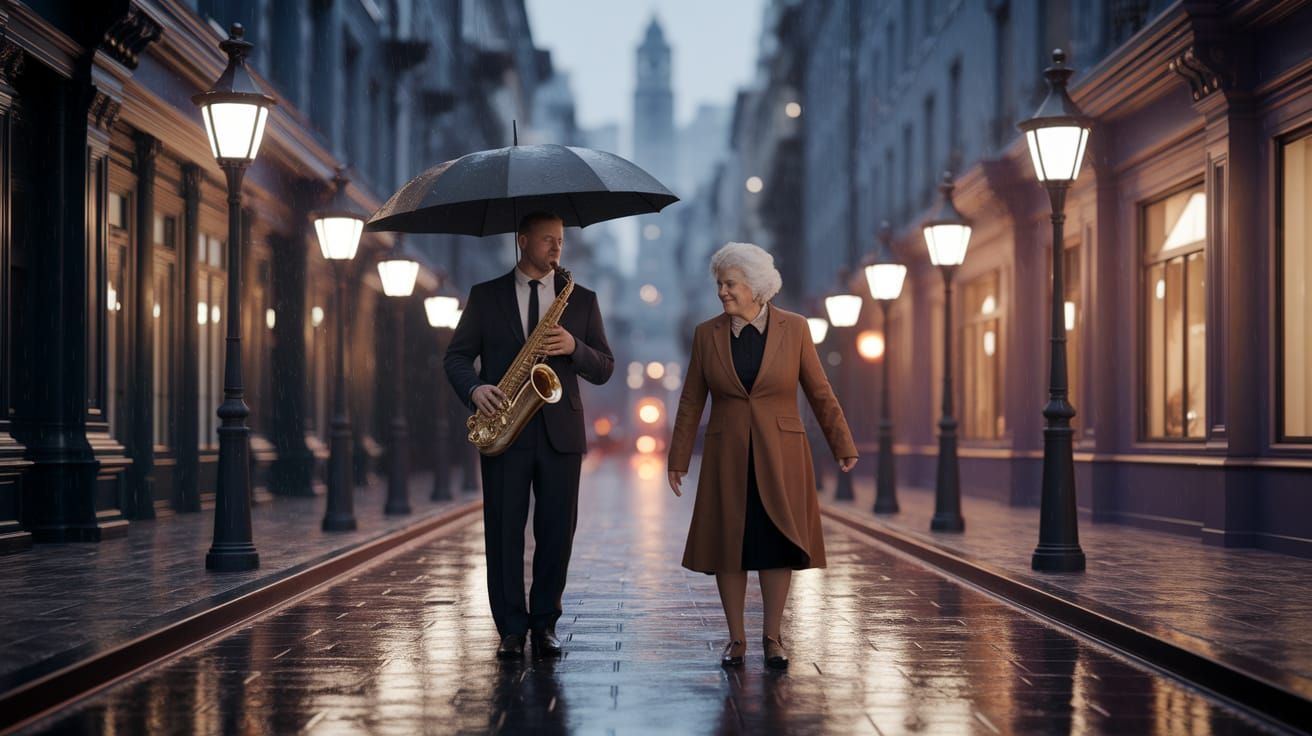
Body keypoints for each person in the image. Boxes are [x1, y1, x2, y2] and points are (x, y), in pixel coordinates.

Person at [667, 242, 857, 669]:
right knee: (728, 546)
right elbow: (691, 401)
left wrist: (842, 443)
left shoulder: (796, 329)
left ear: (756, 287)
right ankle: (736, 639)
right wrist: (677, 458)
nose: (722, 292)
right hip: (725, 454)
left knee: (777, 542)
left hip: (783, 453)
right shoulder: (706, 334)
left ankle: (773, 636)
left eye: (730, 283)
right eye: (719, 283)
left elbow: (819, 390)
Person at [445, 211, 614, 659]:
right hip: (505, 429)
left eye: (560, 240)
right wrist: (476, 387)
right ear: (522, 241)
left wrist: (575, 349)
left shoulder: (581, 300)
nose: (557, 248)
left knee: (557, 532)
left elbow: (605, 366)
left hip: (561, 433)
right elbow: (457, 358)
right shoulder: (485, 297)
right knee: (503, 532)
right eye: (546, 240)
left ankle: (544, 625)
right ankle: (510, 629)